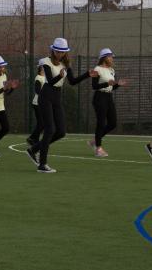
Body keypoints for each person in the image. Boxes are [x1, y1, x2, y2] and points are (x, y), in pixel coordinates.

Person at [26, 37, 98, 173]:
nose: (60, 54)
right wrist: (59, 76)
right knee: (49, 130)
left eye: (62, 51)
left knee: (61, 132)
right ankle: (42, 164)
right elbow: (50, 81)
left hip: (57, 98)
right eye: (58, 51)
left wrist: (87, 75)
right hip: (46, 96)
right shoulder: (46, 62)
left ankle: (34, 149)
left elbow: (72, 81)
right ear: (53, 50)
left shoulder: (66, 64)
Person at [88, 48, 127, 157]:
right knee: (101, 123)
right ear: (104, 58)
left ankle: (95, 140)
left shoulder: (111, 70)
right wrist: (107, 84)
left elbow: (111, 87)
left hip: (109, 97)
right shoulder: (97, 69)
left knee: (113, 123)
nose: (111, 59)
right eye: (110, 57)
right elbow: (94, 86)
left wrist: (118, 84)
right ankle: (98, 149)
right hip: (99, 97)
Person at [26, 58, 46, 147]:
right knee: (42, 123)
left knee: (41, 123)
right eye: (44, 67)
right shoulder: (38, 77)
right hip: (37, 103)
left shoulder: (46, 77)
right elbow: (37, 90)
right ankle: (31, 138)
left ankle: (35, 140)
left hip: (43, 103)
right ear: (41, 68)